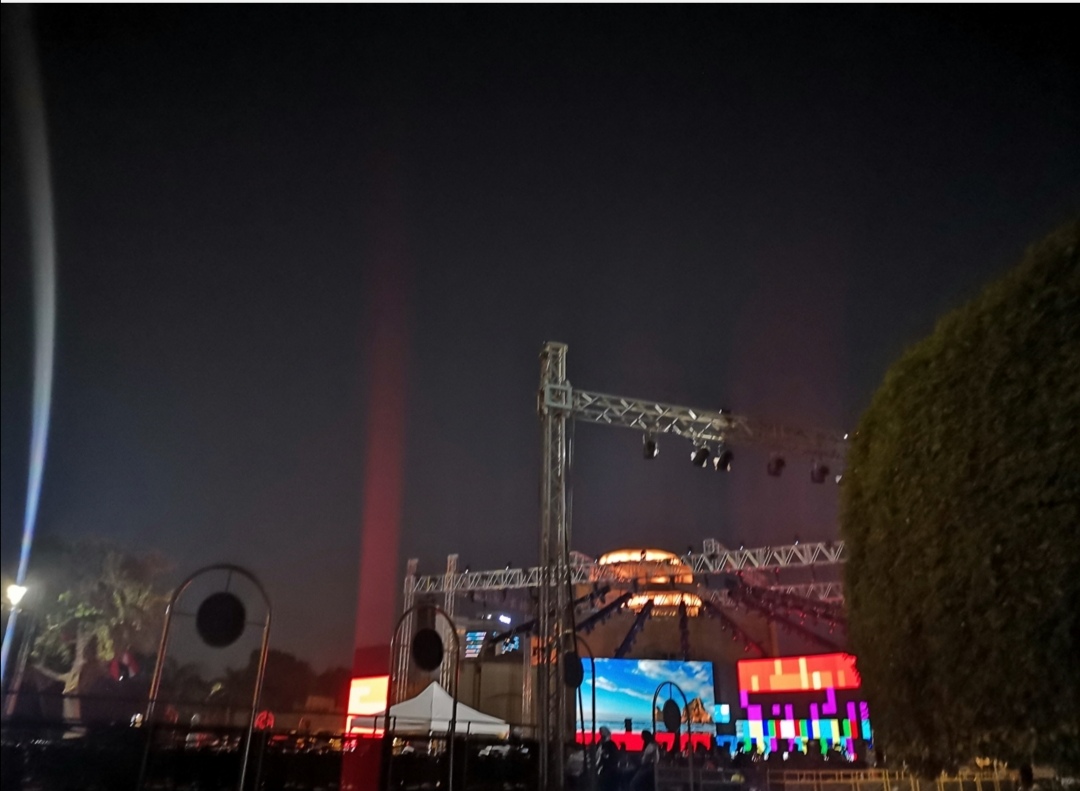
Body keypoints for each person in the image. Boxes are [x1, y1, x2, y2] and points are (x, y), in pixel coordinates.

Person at [596, 726, 620, 791]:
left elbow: (613, 758)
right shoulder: (599, 743)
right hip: (601, 766)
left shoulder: (611, 745)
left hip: (609, 768)